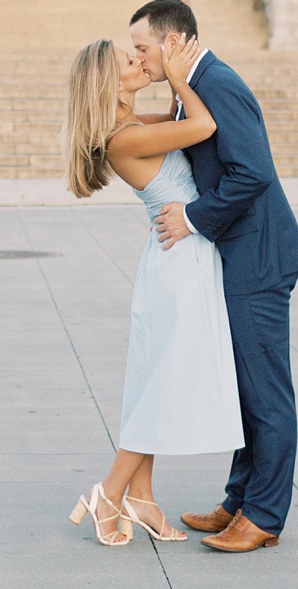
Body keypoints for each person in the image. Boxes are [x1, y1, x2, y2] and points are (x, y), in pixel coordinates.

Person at [130, 0, 298, 553]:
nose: (139, 58)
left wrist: (190, 217)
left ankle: (264, 516)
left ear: (172, 42)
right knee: (244, 386)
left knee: (265, 391)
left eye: (143, 48)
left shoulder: (217, 83)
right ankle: (239, 500)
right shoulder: (194, 86)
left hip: (258, 257)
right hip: (241, 256)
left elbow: (251, 172)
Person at [60, 36, 243, 547]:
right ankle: (110, 490)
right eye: (129, 59)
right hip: (179, 266)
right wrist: (183, 76)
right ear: (106, 81)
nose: (140, 60)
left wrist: (177, 86)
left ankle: (141, 499)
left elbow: (182, 121)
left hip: (178, 257)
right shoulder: (123, 138)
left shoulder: (136, 126)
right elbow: (204, 126)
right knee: (164, 385)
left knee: (152, 384)